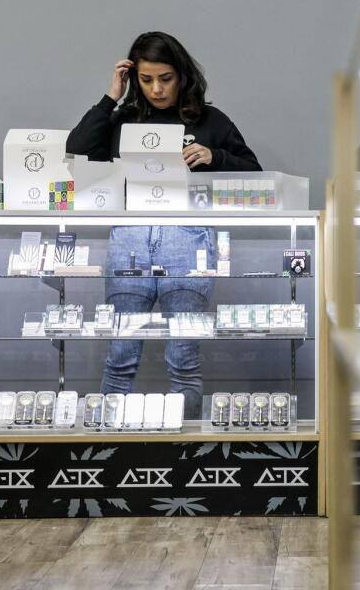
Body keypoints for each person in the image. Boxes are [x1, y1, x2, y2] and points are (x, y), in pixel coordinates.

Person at [67, 31, 261, 418]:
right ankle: (110, 435)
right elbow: (77, 150)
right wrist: (111, 97)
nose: (157, 89)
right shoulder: (122, 119)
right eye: (146, 79)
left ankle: (186, 447)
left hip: (188, 238)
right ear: (134, 78)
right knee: (120, 352)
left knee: (183, 354)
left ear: (182, 76)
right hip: (131, 237)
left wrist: (214, 155)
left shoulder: (209, 119)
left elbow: (254, 174)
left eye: (166, 79)